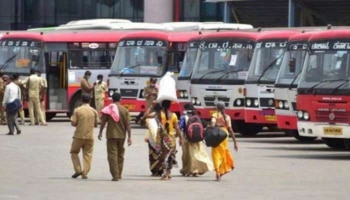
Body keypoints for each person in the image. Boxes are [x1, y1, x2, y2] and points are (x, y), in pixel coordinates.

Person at [98, 92, 132, 182]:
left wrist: (100, 132)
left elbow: (103, 122)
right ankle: (119, 174)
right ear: (120, 99)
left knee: (112, 155)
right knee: (120, 155)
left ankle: (115, 175)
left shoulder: (108, 109)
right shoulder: (125, 110)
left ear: (112, 99)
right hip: (122, 136)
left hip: (111, 135)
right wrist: (129, 137)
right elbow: (128, 125)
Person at [70, 93, 99, 179]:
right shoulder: (94, 111)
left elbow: (73, 123)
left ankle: (78, 169)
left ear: (81, 100)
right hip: (90, 136)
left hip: (78, 135)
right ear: (90, 100)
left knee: (74, 152)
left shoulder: (77, 110)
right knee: (88, 154)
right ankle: (85, 173)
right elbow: (96, 124)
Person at [179, 103, 213, 177]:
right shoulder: (197, 116)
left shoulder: (183, 117)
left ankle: (191, 170)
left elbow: (181, 129)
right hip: (198, 139)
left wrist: (181, 138)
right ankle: (200, 168)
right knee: (199, 154)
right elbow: (205, 126)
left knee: (188, 155)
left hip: (188, 139)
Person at [210, 101, 238, 181]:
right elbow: (230, 129)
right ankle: (228, 166)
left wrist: (212, 128)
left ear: (217, 108)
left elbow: (212, 123)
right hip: (225, 136)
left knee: (215, 154)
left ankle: (218, 172)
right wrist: (235, 142)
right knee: (223, 152)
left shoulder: (215, 115)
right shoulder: (227, 117)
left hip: (217, 135)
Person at [156, 100, 183, 180]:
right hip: (172, 138)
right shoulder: (174, 115)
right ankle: (169, 172)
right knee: (171, 155)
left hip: (163, 138)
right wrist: (181, 138)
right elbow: (177, 128)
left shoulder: (160, 114)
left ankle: (165, 174)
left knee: (163, 156)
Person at [141, 101, 163, 176]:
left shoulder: (154, 115)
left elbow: (145, 116)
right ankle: (161, 170)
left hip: (153, 138)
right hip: (162, 138)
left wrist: (150, 107)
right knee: (161, 154)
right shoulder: (165, 115)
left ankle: (155, 171)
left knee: (153, 155)